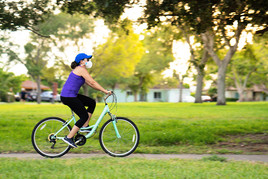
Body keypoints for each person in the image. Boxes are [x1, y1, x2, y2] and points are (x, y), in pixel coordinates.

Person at [60, 53, 112, 148]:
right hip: (68, 96)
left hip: (71, 95)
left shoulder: (81, 70)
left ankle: (84, 127)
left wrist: (103, 90)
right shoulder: (80, 69)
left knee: (91, 102)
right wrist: (105, 91)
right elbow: (92, 82)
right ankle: (69, 137)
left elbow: (91, 84)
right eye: (87, 59)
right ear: (81, 61)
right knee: (83, 116)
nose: (89, 61)